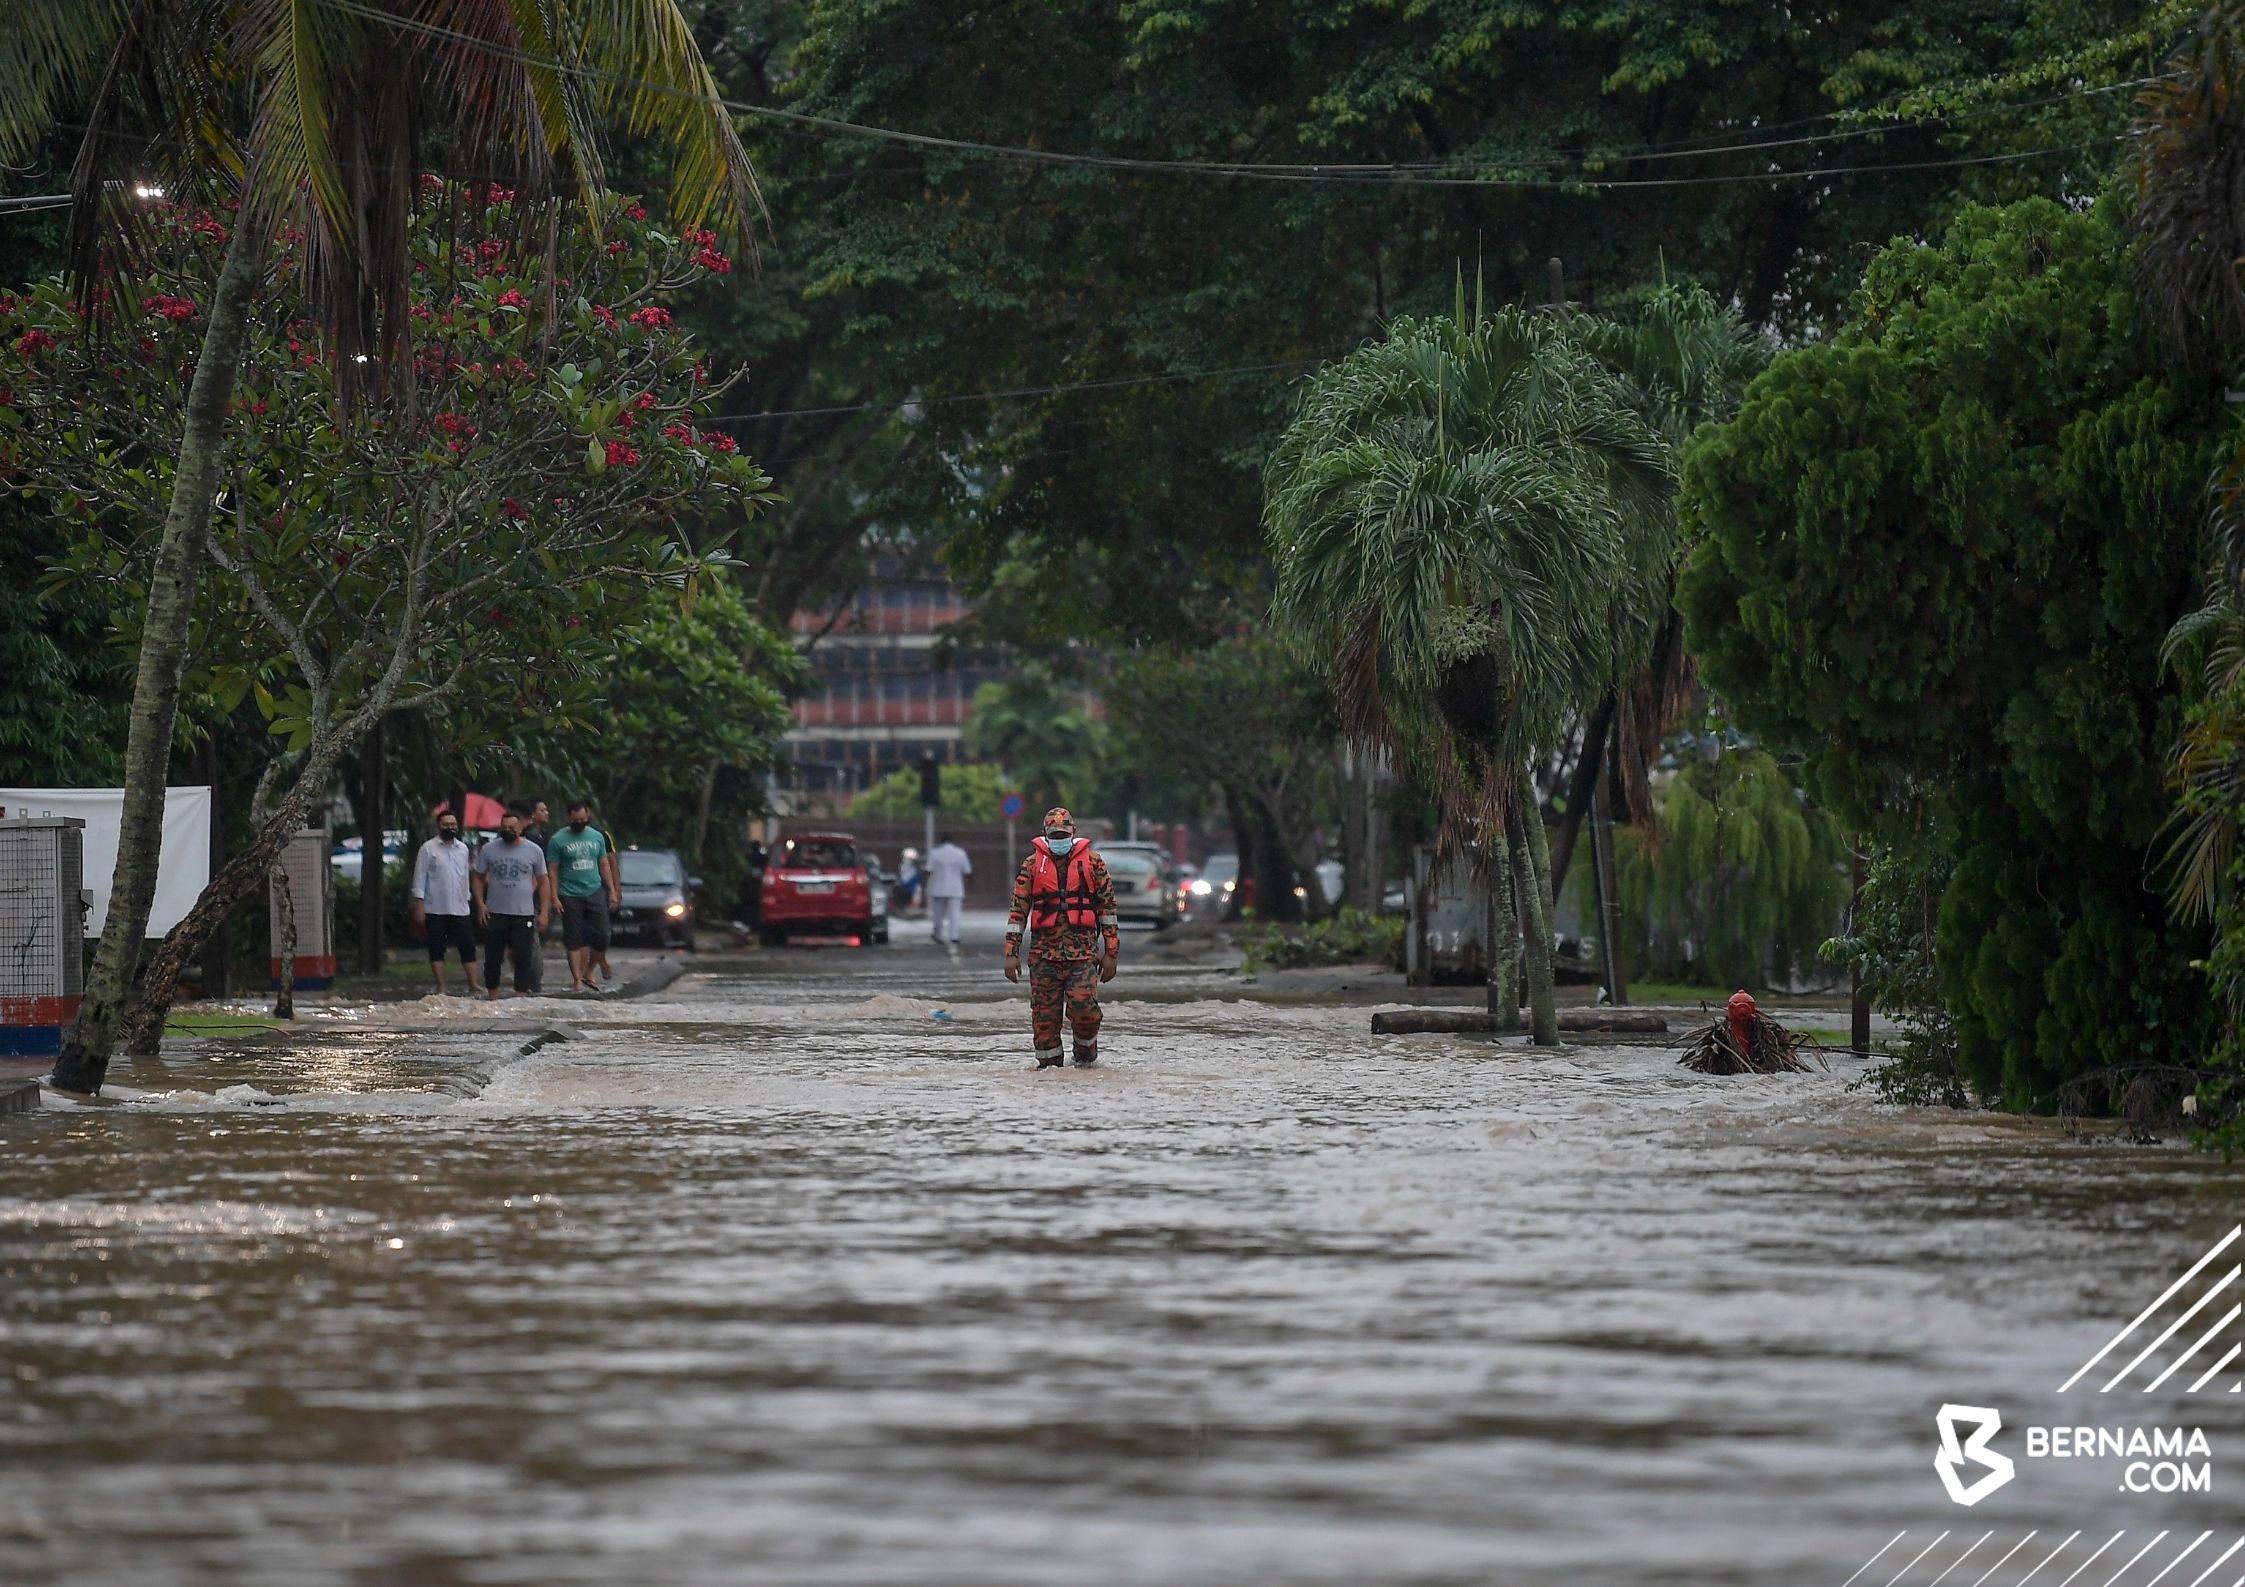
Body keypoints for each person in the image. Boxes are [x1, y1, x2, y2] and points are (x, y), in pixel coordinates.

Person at [1004, 807, 1119, 1069]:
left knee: (1085, 1010)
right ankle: (1050, 1075)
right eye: (1053, 836)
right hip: (1044, 956)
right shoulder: (1031, 866)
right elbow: (1018, 912)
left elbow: (1107, 911)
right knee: (1044, 1023)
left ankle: (1085, 1055)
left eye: (1063, 835)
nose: (1059, 841)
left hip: (1083, 956)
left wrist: (1111, 953)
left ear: (1073, 833)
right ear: (1045, 836)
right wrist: (1010, 953)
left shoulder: (1094, 863)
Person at [472, 806, 549, 1000]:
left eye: (512, 827)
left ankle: (520, 997)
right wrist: (481, 904)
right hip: (496, 912)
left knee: (523, 957)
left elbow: (543, 881)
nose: (508, 831)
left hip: (523, 914)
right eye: (504, 827)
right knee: (492, 958)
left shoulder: (534, 851)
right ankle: (493, 997)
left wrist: (544, 912)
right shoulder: (489, 850)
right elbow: (478, 877)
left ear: (520, 828)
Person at [550, 798, 620, 993]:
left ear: (587, 815)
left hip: (594, 890)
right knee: (574, 939)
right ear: (568, 818)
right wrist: (554, 897)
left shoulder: (597, 836)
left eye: (582, 819)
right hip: (569, 893)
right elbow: (553, 871)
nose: (579, 823)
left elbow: (605, 864)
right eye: (575, 820)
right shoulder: (558, 840)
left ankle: (590, 969)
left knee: (603, 935)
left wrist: (612, 890)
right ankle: (577, 980)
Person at [409, 812, 481, 995]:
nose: (450, 827)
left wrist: (468, 899)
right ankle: (441, 986)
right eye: (446, 824)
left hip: (460, 907)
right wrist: (419, 904)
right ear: (438, 827)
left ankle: (473, 984)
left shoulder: (463, 849)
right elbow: (420, 877)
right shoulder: (428, 849)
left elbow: (465, 876)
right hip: (435, 907)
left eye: (453, 824)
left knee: (467, 946)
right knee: (436, 947)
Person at [519, 798, 553, 992]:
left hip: (535, 895)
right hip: (531, 896)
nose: (546, 813)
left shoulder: (540, 837)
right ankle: (529, 981)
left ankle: (530, 982)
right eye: (542, 810)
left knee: (531, 941)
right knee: (529, 941)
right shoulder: (533, 837)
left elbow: (543, 874)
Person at [926, 832, 971, 950]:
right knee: (954, 913)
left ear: (941, 841)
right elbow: (967, 871)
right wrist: (969, 885)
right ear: (952, 841)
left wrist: (925, 885)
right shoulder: (960, 853)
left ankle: (937, 934)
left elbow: (928, 870)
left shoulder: (935, 853)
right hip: (955, 887)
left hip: (938, 886)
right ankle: (954, 936)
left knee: (938, 914)